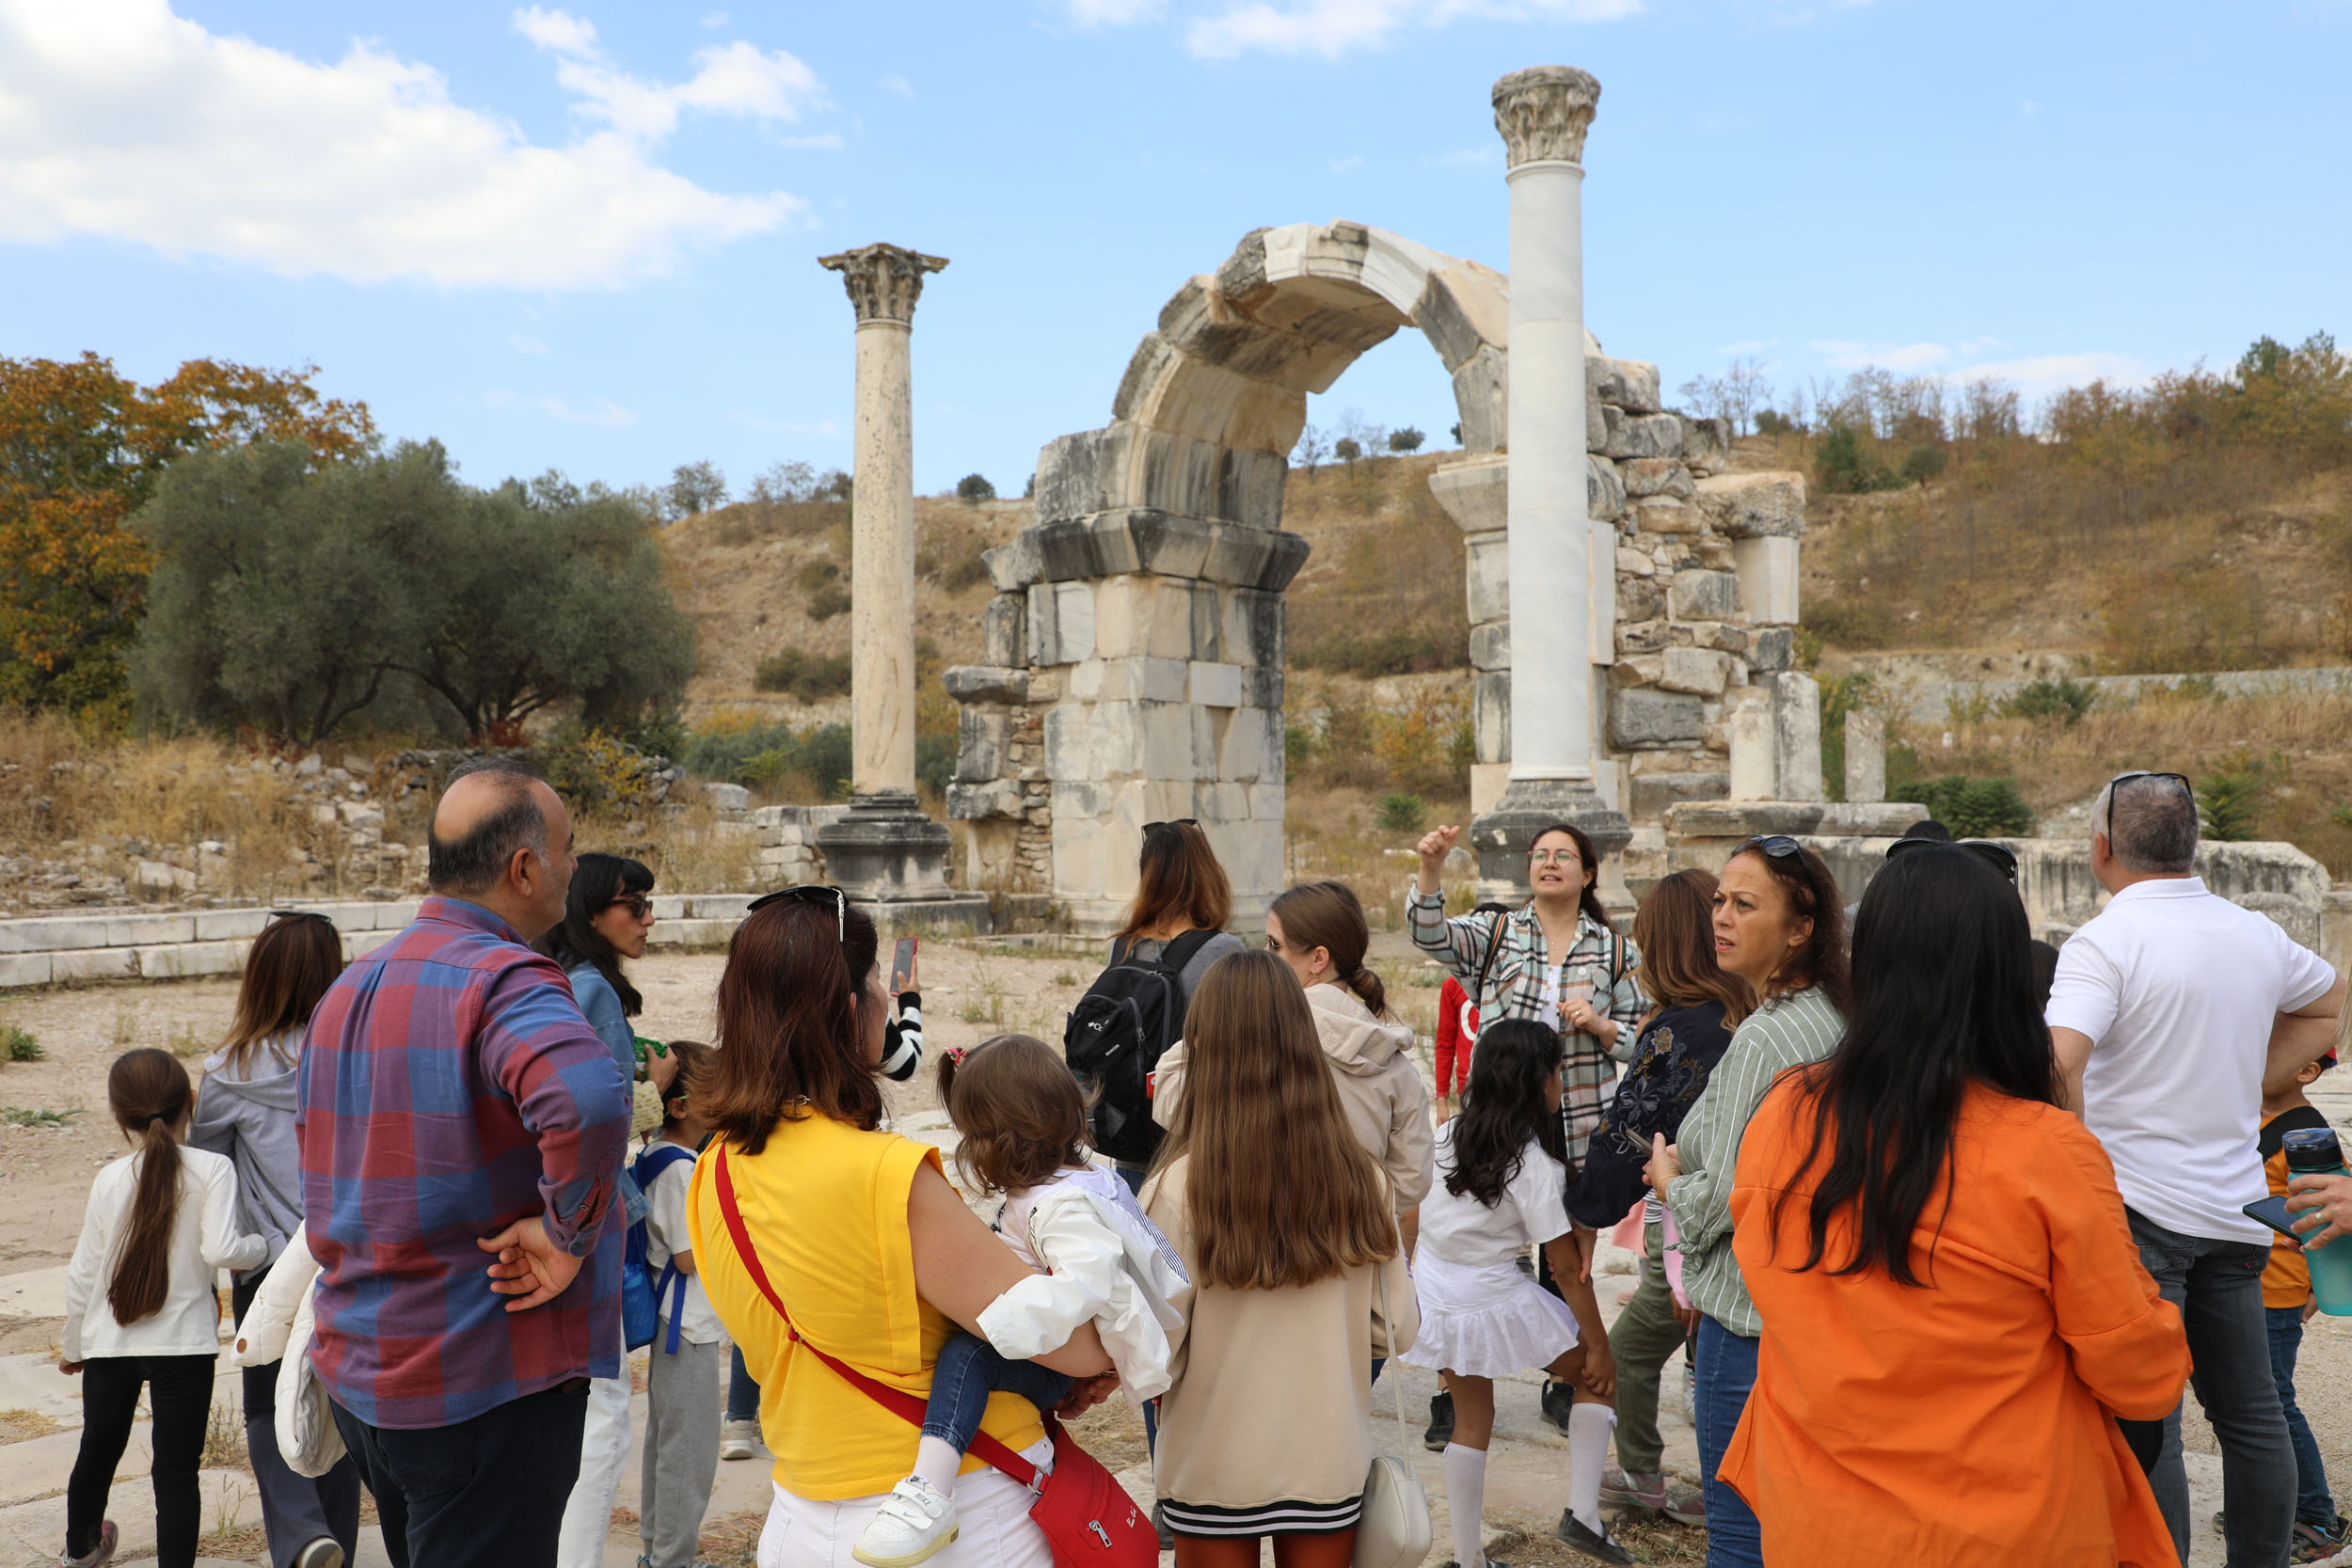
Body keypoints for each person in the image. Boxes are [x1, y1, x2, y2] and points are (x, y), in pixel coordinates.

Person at [1724, 845, 2189, 1564]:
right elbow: (2143, 1377)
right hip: (2003, 1530)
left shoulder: (1785, 1112)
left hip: (1818, 1522)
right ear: (2004, 977)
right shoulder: (2046, 1151)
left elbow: (1772, 1281)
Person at [685, 889, 1116, 1568]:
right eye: (877, 985)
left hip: (802, 1512)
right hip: (961, 1515)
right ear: (853, 1012)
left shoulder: (711, 1169)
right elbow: (1076, 1341)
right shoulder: (889, 1173)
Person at [299, 757, 635, 1568]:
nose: (576, 867)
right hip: (483, 1380)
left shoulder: (351, 985)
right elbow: (590, 1101)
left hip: (367, 1370)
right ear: (524, 868)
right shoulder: (507, 979)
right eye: (567, 849)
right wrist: (567, 1234)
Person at [2046, 770, 2345, 1568]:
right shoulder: (2251, 932)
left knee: (2154, 1415)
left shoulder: (2103, 941)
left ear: (2101, 848)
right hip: (2237, 1214)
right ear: (2193, 846)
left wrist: (2075, 1162)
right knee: (2253, 1416)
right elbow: (2328, 1004)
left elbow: (2058, 1064)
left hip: (2140, 1213)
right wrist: (2248, 1077)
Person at [855, 1034, 1187, 1568]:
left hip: (1051, 1345)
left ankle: (929, 1490)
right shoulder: (1076, 1179)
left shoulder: (1061, 1206)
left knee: (967, 1355)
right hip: (1068, 1354)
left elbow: (1088, 1281)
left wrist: (999, 1321)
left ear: (997, 1139)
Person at [1142, 950, 1417, 1565]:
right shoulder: (1363, 1180)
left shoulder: (1176, 1186)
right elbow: (1397, 1327)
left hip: (1213, 1459)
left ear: (1203, 1046)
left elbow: (1155, 1341)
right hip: (1325, 1456)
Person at [1645, 835, 1849, 1568]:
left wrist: (1668, 1180)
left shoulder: (1767, 1038)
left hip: (1745, 1315)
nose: (1721, 918)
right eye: (1718, 901)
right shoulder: (1828, 1013)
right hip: (1805, 1305)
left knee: (1738, 1536)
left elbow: (1727, 1198)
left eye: (1744, 904)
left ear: (1800, 927)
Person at [1407, 821, 1645, 1422]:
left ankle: (1565, 1377)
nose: (1549, 863)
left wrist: (1598, 1024)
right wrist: (1430, 869)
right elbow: (1430, 934)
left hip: (1577, 1112)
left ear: (1588, 873)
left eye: (1564, 855)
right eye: (1539, 854)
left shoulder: (1615, 951)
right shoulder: (1495, 934)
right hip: (1499, 1113)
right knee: (1475, 1239)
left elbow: (1644, 1040)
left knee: (1565, 1250)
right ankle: (1451, 1382)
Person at [1564, 869, 1753, 1528]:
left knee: (1641, 1353)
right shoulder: (1757, 1013)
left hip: (1694, 1224)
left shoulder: (1679, 1029)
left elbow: (1629, 1132)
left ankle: (1676, 1482)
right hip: (1758, 1213)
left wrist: (1583, 1210)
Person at [1402, 1018, 1623, 1568]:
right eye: (1558, 1071)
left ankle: (1470, 1558)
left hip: (1437, 1296)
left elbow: (1410, 1213)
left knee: (1472, 1421)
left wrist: (1406, 1284)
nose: (1561, 1083)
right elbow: (1566, 1269)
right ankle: (1583, 1516)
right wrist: (1598, 1345)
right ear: (1537, 1082)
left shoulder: (1447, 1134)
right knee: (1598, 1382)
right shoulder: (1533, 1165)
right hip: (1492, 1298)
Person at [193, 912, 362, 1568]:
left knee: (266, 1405)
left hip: (267, 1261)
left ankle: (299, 1534)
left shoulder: (226, 1072)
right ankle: (335, 1543)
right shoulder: (353, 1055)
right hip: (348, 1249)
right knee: (337, 1401)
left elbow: (209, 1177)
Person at [61, 1049, 270, 1568]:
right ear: (191, 1104)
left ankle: (81, 1552)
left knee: (97, 1452)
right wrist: (262, 1247)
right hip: (185, 1349)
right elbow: (222, 1250)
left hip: (112, 1342)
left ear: (118, 1116)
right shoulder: (213, 1168)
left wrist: (73, 1345)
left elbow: (84, 1272)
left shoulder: (109, 1178)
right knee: (176, 1473)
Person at [541, 851, 681, 1568]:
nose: (648, 918)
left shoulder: (551, 976)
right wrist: (655, 1085)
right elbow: (598, 1112)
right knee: (606, 1410)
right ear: (592, 910)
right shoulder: (592, 986)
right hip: (595, 1214)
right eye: (636, 904)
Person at [1157, 879, 1434, 1215]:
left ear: (1318, 959)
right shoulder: (1391, 1058)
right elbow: (1412, 1178)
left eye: (1275, 946)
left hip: (1253, 1237)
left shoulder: (1253, 1033)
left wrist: (1207, 1025)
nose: (1265, 955)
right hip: (1351, 1249)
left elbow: (1173, 1104)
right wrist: (1350, 1220)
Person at [1095, 820, 1247, 1193]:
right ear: (1207, 873)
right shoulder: (1223, 950)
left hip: (1131, 1140)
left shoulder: (1123, 947)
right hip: (1198, 1148)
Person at [2250, 1052, 2350, 1561]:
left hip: (2276, 1290)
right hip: (2245, 1285)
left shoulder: (2307, 1133)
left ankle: (2317, 1517)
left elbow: (2337, 1210)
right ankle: (2269, 1506)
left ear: (2306, 1070)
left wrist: (2319, 1287)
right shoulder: (2247, 1116)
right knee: (2245, 1401)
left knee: (2270, 1404)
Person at [635, 1040, 724, 1568]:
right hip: (687, 1325)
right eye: (716, 1093)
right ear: (681, 1106)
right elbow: (690, 1257)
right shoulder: (680, 1168)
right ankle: (672, 1559)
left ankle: (657, 1552)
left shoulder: (654, 1154)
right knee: (688, 1454)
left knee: (666, 1446)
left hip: (676, 1322)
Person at [1434, 903, 1511, 1122]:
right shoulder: (1452, 986)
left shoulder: (1522, 986)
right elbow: (1445, 1043)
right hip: (1469, 1089)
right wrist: (1441, 1099)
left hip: (1510, 1087)